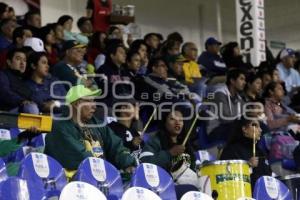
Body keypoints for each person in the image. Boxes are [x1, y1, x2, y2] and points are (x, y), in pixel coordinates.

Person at [44, 85, 136, 173]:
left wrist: (129, 163)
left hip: (100, 177)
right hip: (72, 183)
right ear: (77, 104)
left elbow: (116, 146)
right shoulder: (60, 128)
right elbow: (81, 157)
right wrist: (106, 170)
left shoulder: (96, 124)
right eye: (89, 101)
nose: (94, 106)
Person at [140, 108, 197, 185]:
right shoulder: (155, 141)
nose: (177, 123)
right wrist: (169, 153)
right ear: (164, 122)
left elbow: (193, 169)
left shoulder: (186, 145)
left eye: (180, 120)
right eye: (172, 119)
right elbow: (145, 163)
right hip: (162, 186)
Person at [220, 117, 272, 187]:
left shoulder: (260, 152)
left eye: (260, 126)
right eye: (255, 125)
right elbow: (226, 177)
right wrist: (247, 166)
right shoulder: (232, 150)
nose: (260, 130)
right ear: (244, 129)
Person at [207, 69, 246, 141]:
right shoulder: (219, 94)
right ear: (232, 81)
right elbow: (225, 118)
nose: (244, 82)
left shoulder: (239, 98)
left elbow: (245, 114)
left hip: (231, 128)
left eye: (244, 80)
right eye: (241, 79)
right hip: (215, 130)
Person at [0, 48, 39, 114]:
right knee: (31, 107)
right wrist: (21, 101)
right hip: (6, 113)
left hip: (22, 111)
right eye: (18, 59)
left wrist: (45, 105)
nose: (22, 63)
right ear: (9, 62)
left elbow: (33, 97)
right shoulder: (3, 75)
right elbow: (5, 93)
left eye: (24, 60)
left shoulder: (25, 81)